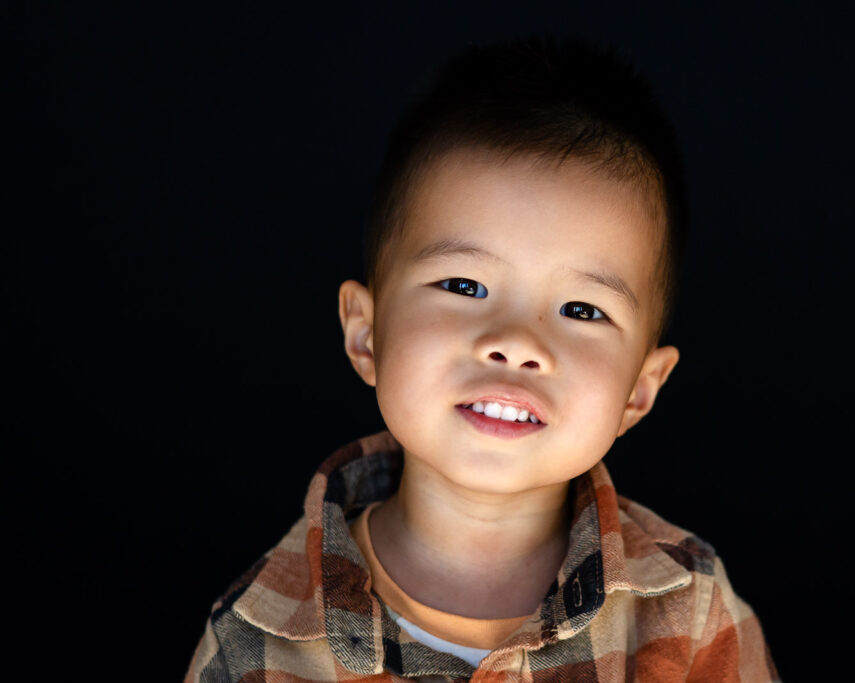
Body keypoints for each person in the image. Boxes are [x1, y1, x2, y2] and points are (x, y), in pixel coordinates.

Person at [185, 37, 779, 682]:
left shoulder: (688, 612)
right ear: (366, 335)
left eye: (582, 311)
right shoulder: (256, 639)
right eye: (465, 287)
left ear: (639, 389)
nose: (517, 343)